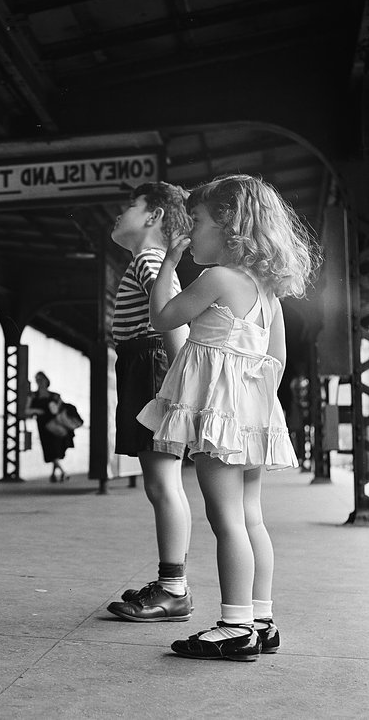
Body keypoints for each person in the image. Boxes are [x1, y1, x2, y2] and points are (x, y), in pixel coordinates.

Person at [137, 174, 320, 661]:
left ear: (228, 224)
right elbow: (275, 362)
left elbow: (162, 318)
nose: (190, 231)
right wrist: (250, 406)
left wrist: (169, 263)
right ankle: (262, 619)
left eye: (196, 222)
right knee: (252, 519)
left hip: (220, 420)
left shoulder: (217, 278)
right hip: (252, 417)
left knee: (226, 522)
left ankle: (234, 626)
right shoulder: (268, 295)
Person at [107, 182, 194, 623]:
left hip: (153, 365)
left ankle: (173, 588)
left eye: (129, 206)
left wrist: (180, 389)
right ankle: (172, 583)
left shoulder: (149, 259)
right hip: (146, 364)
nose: (119, 214)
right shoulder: (150, 262)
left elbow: (173, 325)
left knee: (162, 483)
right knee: (165, 483)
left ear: (154, 216)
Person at [24, 371, 74, 482]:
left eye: (41, 380)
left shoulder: (55, 396)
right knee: (50, 449)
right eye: (37, 380)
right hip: (43, 425)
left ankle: (54, 474)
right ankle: (62, 472)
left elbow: (61, 409)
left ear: (46, 381)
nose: (39, 382)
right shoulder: (33, 395)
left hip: (55, 424)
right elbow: (26, 410)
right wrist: (37, 410)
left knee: (55, 448)